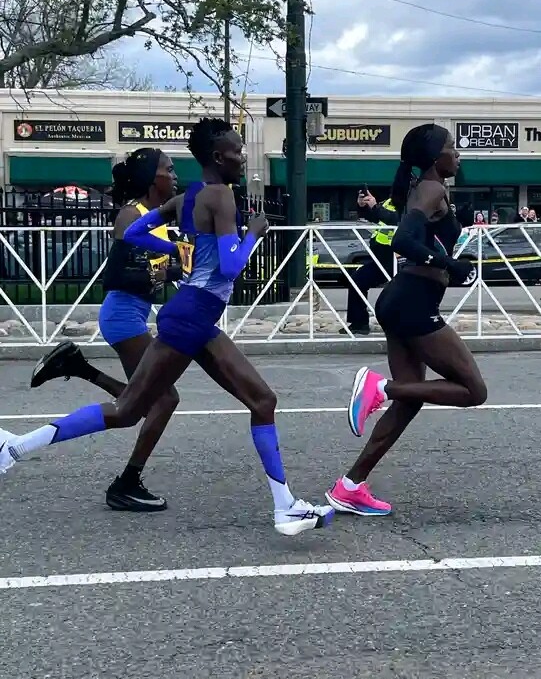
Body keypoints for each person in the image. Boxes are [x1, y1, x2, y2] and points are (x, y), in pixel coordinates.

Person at [1, 117, 334, 537]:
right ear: (218, 157)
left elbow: (134, 232)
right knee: (128, 410)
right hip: (191, 317)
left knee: (262, 400)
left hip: (195, 316)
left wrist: (178, 247)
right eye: (237, 151)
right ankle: (14, 447)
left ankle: (285, 506)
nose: (242, 156)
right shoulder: (220, 196)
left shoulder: (186, 197)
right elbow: (231, 266)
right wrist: (253, 234)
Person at [325, 123, 487, 516]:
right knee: (473, 390)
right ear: (434, 157)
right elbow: (402, 240)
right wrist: (448, 263)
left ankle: (350, 486)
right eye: (452, 146)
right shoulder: (431, 189)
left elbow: (414, 232)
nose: (458, 153)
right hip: (413, 302)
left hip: (402, 299)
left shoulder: (426, 188)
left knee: (411, 399)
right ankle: (381, 387)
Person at [29, 147, 182, 512]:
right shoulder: (132, 214)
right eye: (169, 169)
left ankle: (77, 366)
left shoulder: (157, 218)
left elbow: (161, 269)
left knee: (140, 403)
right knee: (164, 399)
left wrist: (179, 264)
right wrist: (165, 271)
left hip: (133, 315)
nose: (175, 175)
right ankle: (127, 483)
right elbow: (118, 272)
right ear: (152, 178)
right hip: (122, 316)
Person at [340, 187, 398, 335]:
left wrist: (375, 206)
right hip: (381, 259)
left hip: (399, 259)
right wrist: (363, 206)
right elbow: (373, 216)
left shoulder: (411, 204)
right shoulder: (388, 203)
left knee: (397, 293)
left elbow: (395, 219)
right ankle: (359, 323)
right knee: (357, 281)